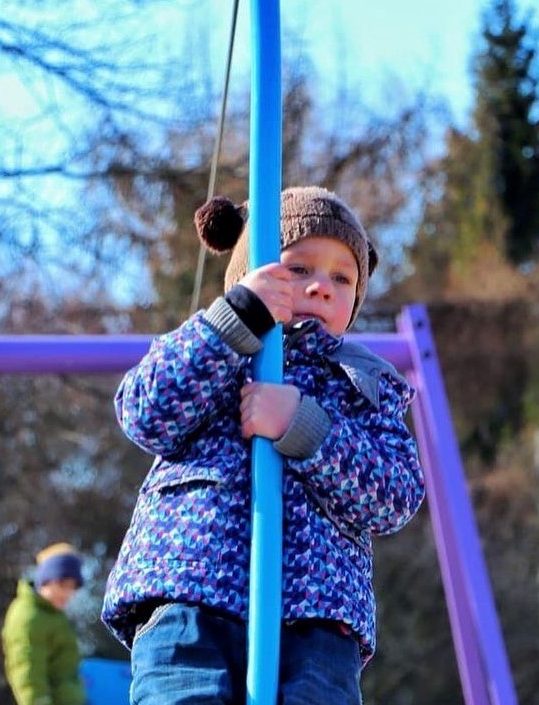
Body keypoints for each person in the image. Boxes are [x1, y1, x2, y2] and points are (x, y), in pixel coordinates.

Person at [102, 186, 426, 704]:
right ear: (250, 273)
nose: (321, 287)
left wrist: (304, 424)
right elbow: (146, 414)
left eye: (342, 277)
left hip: (318, 612)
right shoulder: (208, 346)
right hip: (190, 587)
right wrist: (236, 320)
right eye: (299, 269)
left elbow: (395, 496)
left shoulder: (364, 382)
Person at [2, 542, 87, 705]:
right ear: (45, 581)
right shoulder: (29, 615)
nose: (67, 593)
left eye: (73, 587)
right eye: (62, 585)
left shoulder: (55, 616)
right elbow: (27, 670)